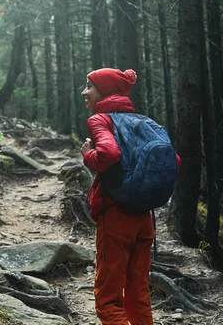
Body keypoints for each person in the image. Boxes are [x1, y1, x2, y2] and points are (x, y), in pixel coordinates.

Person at [80, 68, 154, 325]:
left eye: (89, 86)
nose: (84, 92)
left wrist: (88, 155)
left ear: (105, 90)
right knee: (138, 295)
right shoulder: (142, 122)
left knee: (108, 300)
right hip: (144, 217)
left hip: (115, 215)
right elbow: (173, 160)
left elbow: (109, 155)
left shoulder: (100, 120)